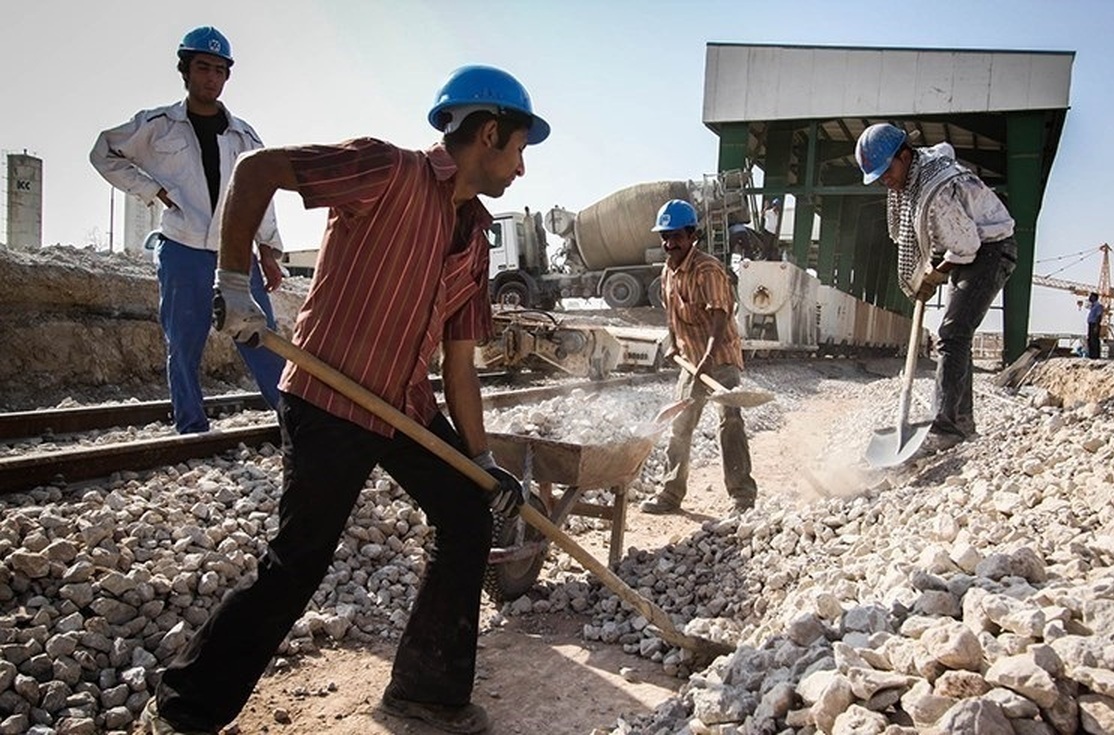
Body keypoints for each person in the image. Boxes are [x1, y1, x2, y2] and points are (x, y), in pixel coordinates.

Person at [139, 64, 548, 735]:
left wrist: (480, 459)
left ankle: (426, 691)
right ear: (490, 133)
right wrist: (235, 282)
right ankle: (183, 709)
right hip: (330, 395)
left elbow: (460, 362)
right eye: (520, 150)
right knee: (298, 561)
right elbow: (256, 171)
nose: (522, 169)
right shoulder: (385, 170)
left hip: (404, 409)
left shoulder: (475, 239)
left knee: (468, 513)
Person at [90, 26, 286, 434]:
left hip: (235, 255)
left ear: (227, 76)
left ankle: (292, 423)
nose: (211, 77)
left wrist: (268, 251)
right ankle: (191, 430)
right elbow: (104, 151)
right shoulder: (157, 125)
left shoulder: (244, 136)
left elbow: (261, 195)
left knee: (261, 339)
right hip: (182, 250)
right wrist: (150, 188)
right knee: (184, 344)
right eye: (202, 67)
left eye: (219, 70)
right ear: (185, 70)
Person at [855, 123, 1018, 453]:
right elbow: (951, 241)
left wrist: (936, 274)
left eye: (887, 171)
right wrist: (935, 269)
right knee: (958, 336)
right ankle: (962, 421)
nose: (885, 180)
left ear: (904, 156)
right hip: (973, 248)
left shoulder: (936, 191)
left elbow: (968, 245)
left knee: (952, 333)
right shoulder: (919, 172)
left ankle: (944, 427)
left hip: (992, 249)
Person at [640, 200, 758, 515]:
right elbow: (672, 313)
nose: (669, 244)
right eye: (665, 237)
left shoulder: (708, 269)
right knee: (680, 424)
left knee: (729, 422)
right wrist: (672, 343)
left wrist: (707, 357)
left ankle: (742, 496)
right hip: (691, 361)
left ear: (693, 235)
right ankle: (670, 493)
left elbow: (720, 316)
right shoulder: (668, 270)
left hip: (720, 358)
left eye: (676, 236)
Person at [1086, 292, 1104, 358]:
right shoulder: (1092, 306)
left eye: (1091, 296)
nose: (1089, 298)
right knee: (1090, 339)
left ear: (1094, 297)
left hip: (1094, 324)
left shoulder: (1098, 306)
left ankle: (1095, 355)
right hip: (1091, 324)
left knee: (1094, 340)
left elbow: (1099, 316)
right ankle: (1091, 355)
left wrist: (1096, 326)